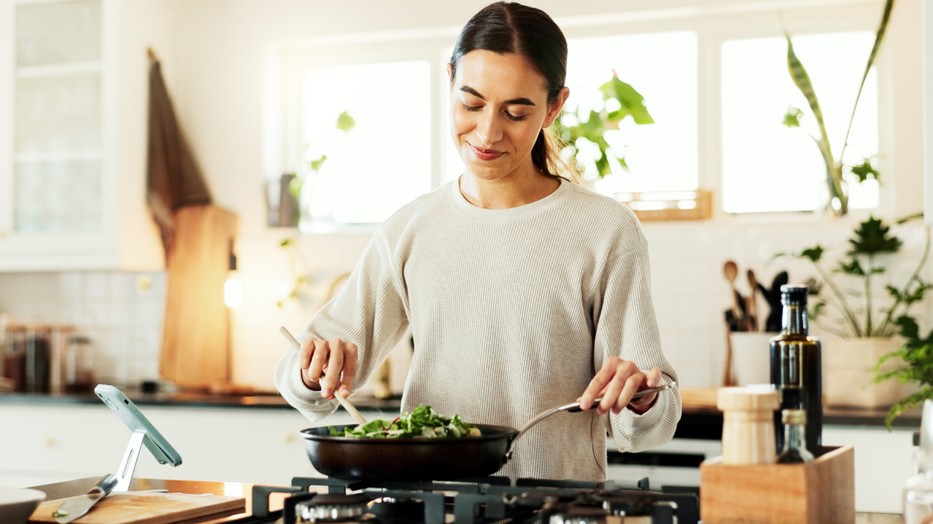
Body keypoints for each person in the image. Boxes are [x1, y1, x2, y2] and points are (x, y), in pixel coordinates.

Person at [275, 1, 681, 482]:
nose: (487, 132)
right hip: (428, 504)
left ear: (554, 106)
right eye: (471, 104)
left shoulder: (605, 230)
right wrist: (311, 370)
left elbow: (647, 427)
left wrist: (644, 395)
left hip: (556, 506)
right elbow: (301, 378)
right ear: (449, 80)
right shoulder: (411, 228)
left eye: (515, 112)